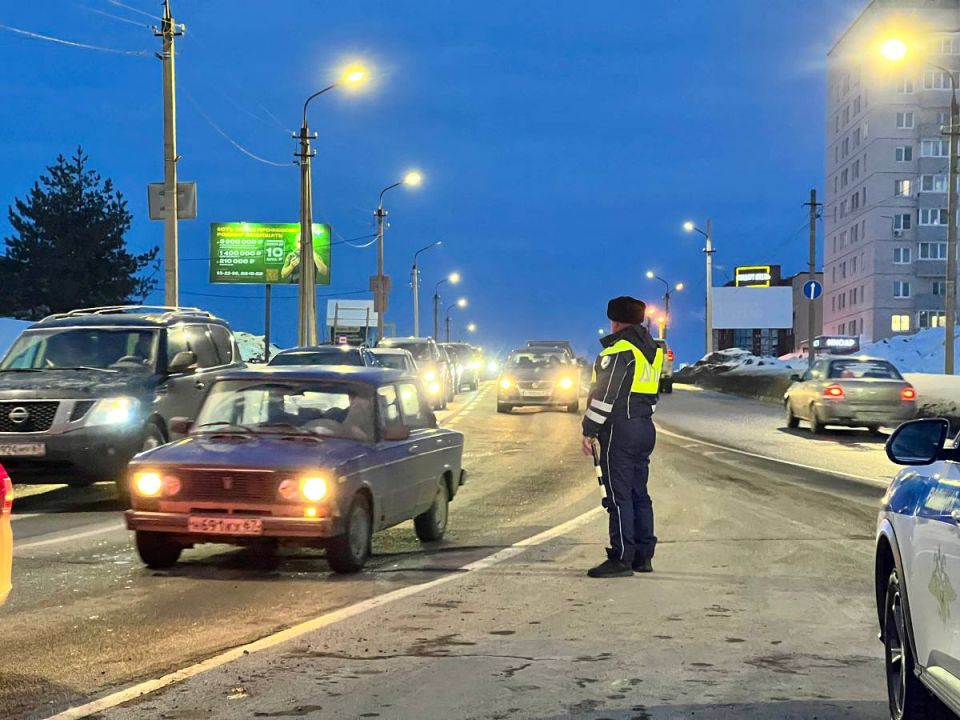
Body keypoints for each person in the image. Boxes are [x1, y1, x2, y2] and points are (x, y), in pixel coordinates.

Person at [581, 296, 664, 579]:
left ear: (614, 322)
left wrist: (589, 430)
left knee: (617, 495)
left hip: (620, 429)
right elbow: (652, 394)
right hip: (644, 426)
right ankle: (643, 555)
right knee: (639, 493)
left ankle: (621, 557)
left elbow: (604, 395)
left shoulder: (618, 351)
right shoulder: (652, 351)